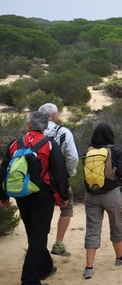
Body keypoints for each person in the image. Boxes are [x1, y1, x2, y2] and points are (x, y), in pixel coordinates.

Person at [0, 111, 69, 285]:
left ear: (29, 125)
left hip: (21, 195)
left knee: (34, 233)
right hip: (42, 195)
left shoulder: (16, 143)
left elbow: (4, 168)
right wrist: (64, 196)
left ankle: (45, 267)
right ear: (45, 126)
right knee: (39, 235)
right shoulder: (49, 144)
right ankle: (29, 283)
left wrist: (3, 196)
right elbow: (60, 172)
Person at [81, 123, 122, 279]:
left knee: (92, 228)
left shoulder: (88, 151)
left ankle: (89, 267)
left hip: (91, 195)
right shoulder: (115, 150)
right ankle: (119, 257)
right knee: (116, 224)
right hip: (111, 194)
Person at [39, 102, 79, 257]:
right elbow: (72, 156)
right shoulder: (63, 132)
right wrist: (69, 173)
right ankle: (59, 243)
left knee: (40, 213)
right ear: (54, 116)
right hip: (59, 179)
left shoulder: (34, 132)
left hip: (38, 180)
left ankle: (37, 245)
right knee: (66, 208)